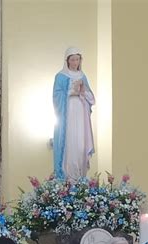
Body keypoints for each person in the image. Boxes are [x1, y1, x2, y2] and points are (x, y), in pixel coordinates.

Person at [53, 46, 95, 181]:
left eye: (77, 59)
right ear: (67, 61)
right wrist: (71, 91)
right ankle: (69, 177)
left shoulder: (83, 76)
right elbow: (56, 96)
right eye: (72, 59)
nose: (75, 62)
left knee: (81, 143)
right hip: (68, 113)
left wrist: (82, 91)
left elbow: (91, 98)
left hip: (81, 112)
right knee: (70, 142)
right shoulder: (61, 76)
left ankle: (80, 175)